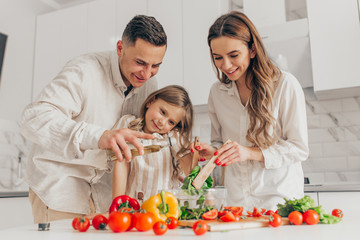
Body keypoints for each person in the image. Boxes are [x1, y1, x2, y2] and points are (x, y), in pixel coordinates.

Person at [20, 15, 167, 224]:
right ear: (120, 48)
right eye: (140, 62)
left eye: (156, 65)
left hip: (106, 198)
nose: (147, 73)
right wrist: (99, 136)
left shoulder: (150, 86)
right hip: (60, 188)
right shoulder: (84, 70)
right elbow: (34, 118)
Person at [192, 11, 309, 211]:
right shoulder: (217, 93)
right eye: (218, 57)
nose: (226, 65)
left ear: (252, 50)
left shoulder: (284, 84)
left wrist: (249, 153)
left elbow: (299, 148)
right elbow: (219, 143)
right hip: (236, 202)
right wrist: (213, 153)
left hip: (278, 200)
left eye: (234, 55)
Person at [112, 85, 194, 201]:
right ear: (150, 102)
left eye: (171, 122)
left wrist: (193, 153)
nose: (162, 122)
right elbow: (121, 163)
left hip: (162, 209)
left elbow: (190, 170)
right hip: (132, 207)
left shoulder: (171, 137)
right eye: (163, 112)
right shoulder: (129, 126)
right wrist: (117, 204)